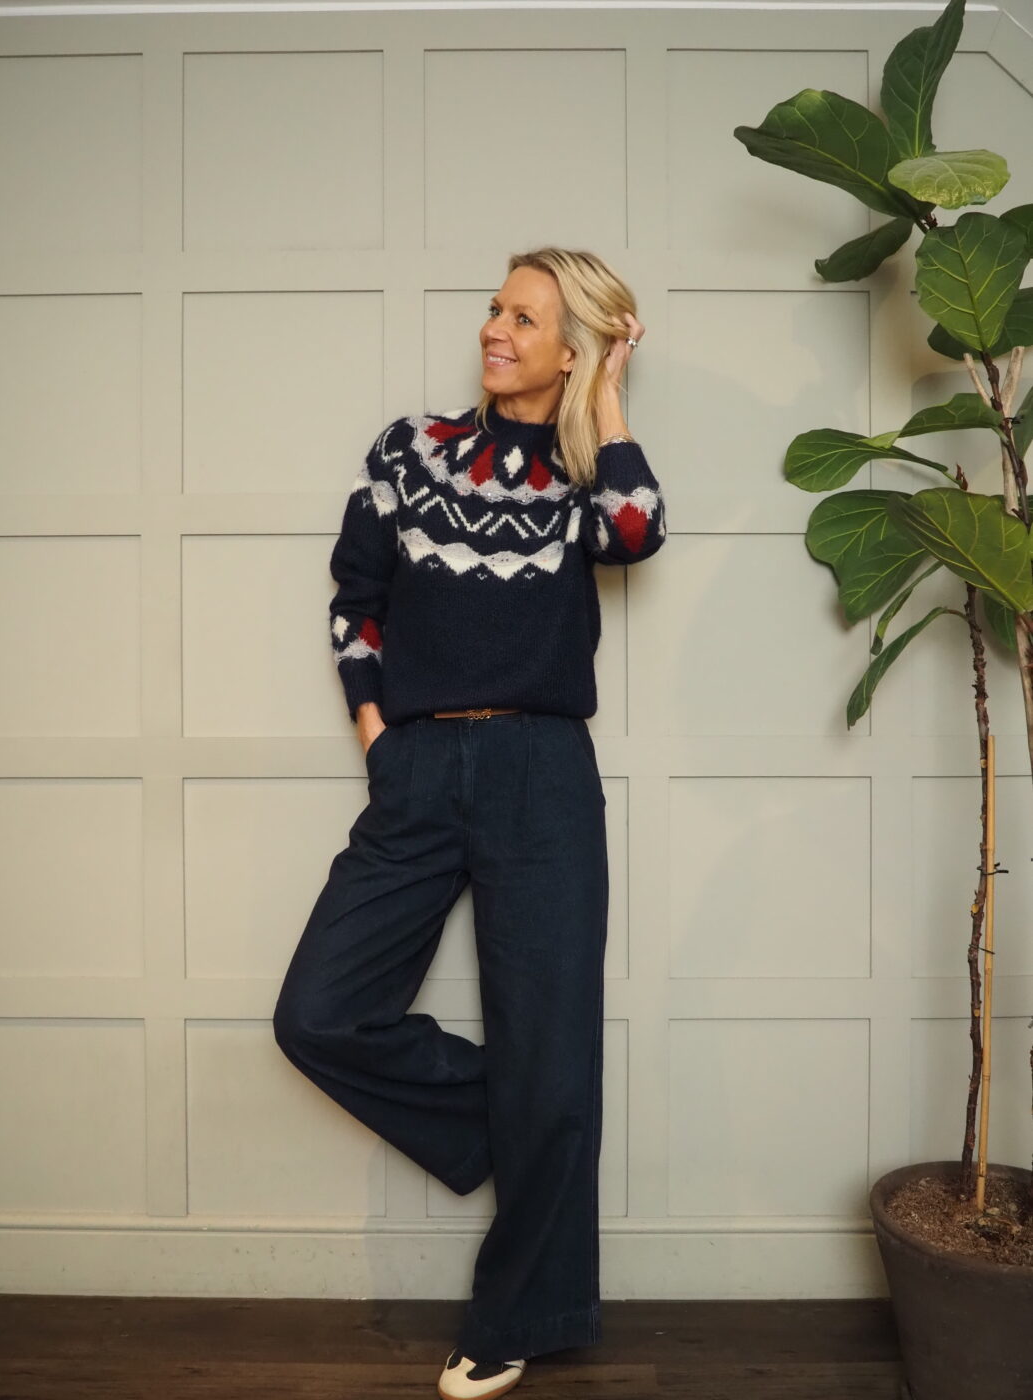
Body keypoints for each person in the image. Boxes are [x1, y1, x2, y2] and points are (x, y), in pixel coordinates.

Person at [272, 247, 666, 1400]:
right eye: (496, 308)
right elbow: (355, 601)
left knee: (551, 1043)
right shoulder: (412, 449)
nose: (495, 328)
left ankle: (518, 1313)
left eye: (526, 317)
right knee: (321, 1011)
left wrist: (608, 398)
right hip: (419, 765)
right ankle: (530, 1121)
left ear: (571, 347)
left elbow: (637, 529)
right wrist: (379, 740)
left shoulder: (581, 481)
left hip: (543, 768)